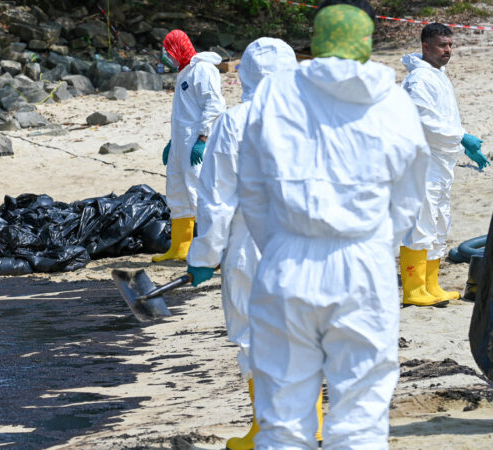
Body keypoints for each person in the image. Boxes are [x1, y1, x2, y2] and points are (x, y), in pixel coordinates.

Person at [238, 1, 430, 447]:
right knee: (361, 414)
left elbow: (252, 189)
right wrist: (378, 243)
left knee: (282, 416)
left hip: (286, 257)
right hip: (363, 259)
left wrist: (283, 244)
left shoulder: (274, 93)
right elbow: (409, 195)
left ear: (316, 38)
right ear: (368, 39)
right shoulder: (394, 102)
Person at [186, 38, 323, 450]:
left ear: (243, 74)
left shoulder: (234, 122)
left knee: (253, 337)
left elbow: (217, 199)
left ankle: (267, 429)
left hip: (251, 246)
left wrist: (204, 255)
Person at [399, 23, 490, 307]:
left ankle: (431, 285)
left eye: (450, 45)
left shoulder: (439, 75)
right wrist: (461, 136)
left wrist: (462, 144)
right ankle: (414, 289)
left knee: (439, 222)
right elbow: (424, 120)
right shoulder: (419, 80)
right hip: (422, 163)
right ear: (426, 46)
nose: (448, 51)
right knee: (421, 223)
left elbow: (445, 118)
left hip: (440, 162)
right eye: (442, 45)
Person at [153, 29, 226, 262]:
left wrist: (202, 139)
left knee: (198, 193)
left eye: (168, 50)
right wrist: (173, 143)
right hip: (181, 143)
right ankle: (179, 247)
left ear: (179, 48)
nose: (166, 56)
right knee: (178, 192)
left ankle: (210, 250)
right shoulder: (185, 72)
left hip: (195, 142)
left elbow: (213, 105)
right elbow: (185, 113)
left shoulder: (203, 69)